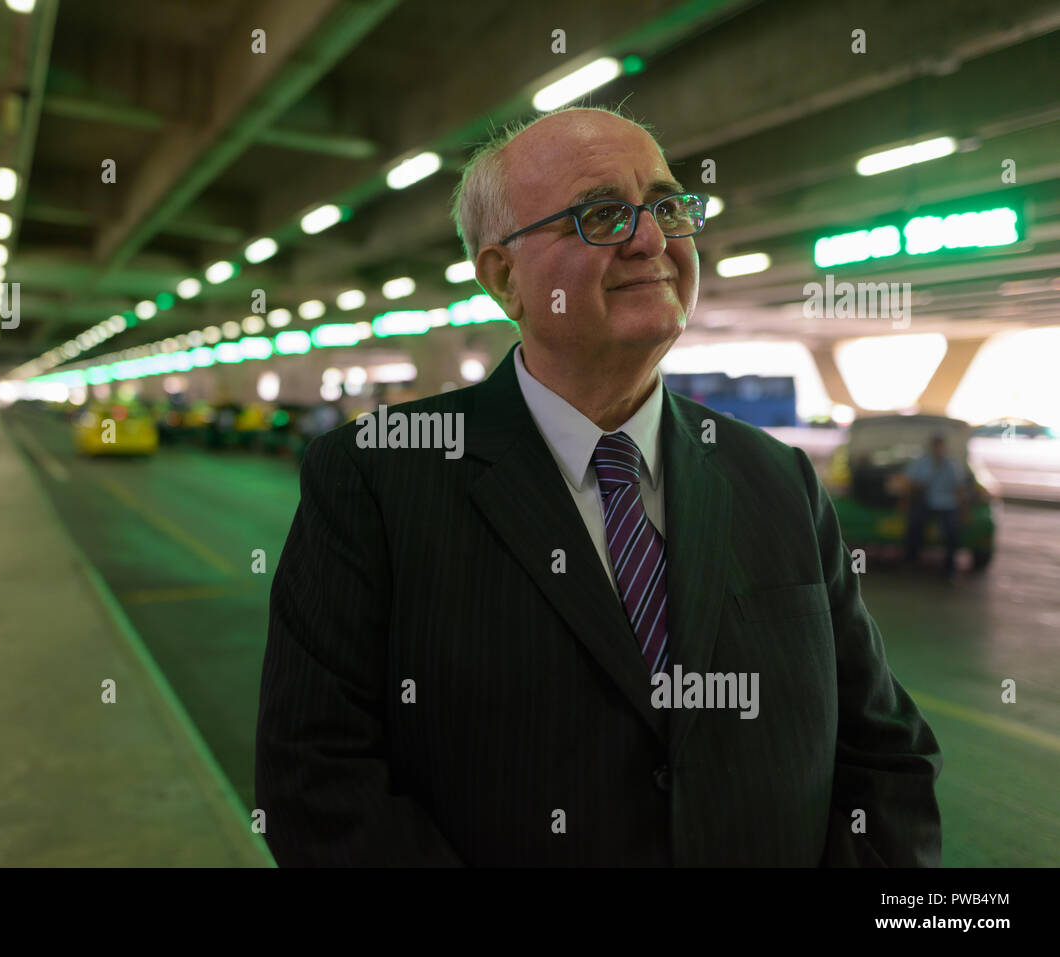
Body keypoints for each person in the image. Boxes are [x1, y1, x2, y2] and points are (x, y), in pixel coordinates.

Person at [255, 106, 942, 866]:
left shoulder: (777, 478)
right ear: (504, 276)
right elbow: (316, 782)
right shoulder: (375, 475)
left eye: (668, 206)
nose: (652, 239)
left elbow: (885, 752)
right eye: (602, 214)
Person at [902, 434, 967, 578]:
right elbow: (909, 482)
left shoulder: (952, 465)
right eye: (935, 447)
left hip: (947, 504)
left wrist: (963, 510)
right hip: (927, 502)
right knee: (914, 525)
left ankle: (950, 567)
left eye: (940, 447)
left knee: (951, 531)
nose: (938, 450)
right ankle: (911, 561)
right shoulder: (921, 462)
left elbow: (960, 489)